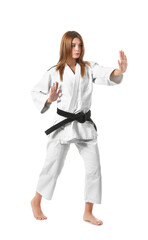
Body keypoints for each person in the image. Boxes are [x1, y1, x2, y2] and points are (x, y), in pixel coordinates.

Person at [30, 31, 128, 225]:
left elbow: (107, 74)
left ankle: (88, 212)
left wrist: (120, 71)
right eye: (73, 45)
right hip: (63, 125)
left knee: (94, 168)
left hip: (84, 125)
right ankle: (36, 200)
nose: (77, 49)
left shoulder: (88, 67)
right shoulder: (54, 71)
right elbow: (36, 91)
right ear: (66, 46)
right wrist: (48, 99)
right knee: (52, 166)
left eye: (80, 45)